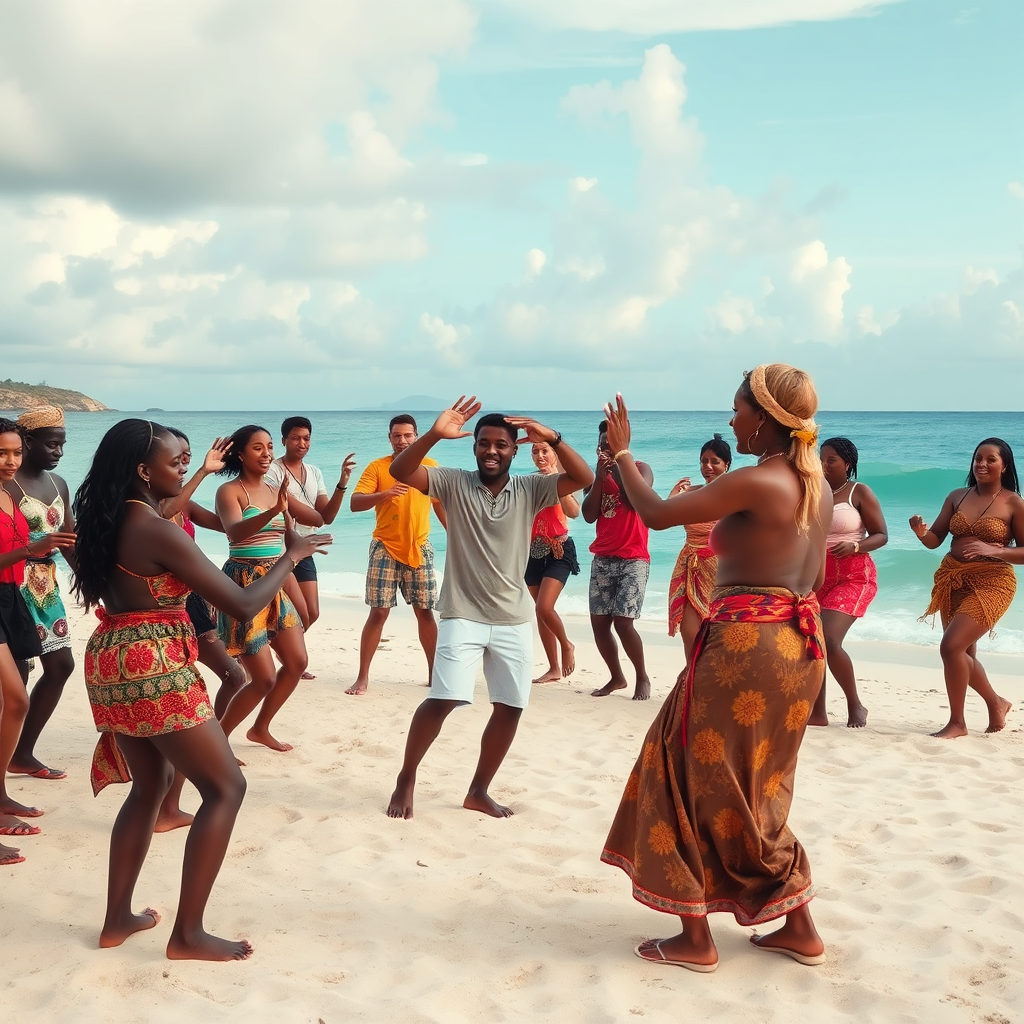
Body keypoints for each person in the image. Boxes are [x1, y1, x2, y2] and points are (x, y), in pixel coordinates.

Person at [600, 365, 831, 972]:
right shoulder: (818, 486)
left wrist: (623, 452)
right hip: (800, 647)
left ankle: (695, 939)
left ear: (767, 418)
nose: (732, 421)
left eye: (738, 409)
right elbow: (815, 578)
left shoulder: (759, 481)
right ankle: (798, 926)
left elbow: (653, 513)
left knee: (679, 769)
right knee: (760, 787)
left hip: (747, 646)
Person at [72, 418, 329, 959]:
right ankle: (187, 934)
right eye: (176, 462)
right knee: (227, 787)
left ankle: (117, 918)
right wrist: (291, 555)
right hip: (155, 659)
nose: (186, 467)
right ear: (143, 470)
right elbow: (240, 603)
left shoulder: (109, 516)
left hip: (113, 654)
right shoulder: (156, 529)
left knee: (150, 786)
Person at [385, 398, 594, 820]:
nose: (492, 451)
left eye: (501, 444)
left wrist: (552, 437)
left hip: (515, 616)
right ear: (474, 447)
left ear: (515, 449)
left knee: (511, 705)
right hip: (462, 612)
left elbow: (584, 477)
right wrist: (432, 434)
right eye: (484, 443)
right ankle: (406, 777)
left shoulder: (531, 489)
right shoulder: (452, 482)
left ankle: (478, 791)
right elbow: (400, 472)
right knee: (443, 698)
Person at [154, 428, 245, 833]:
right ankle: (170, 802)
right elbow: (164, 511)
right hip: (169, 607)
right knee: (231, 676)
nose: (187, 463)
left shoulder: (184, 504)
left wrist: (274, 510)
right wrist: (205, 473)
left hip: (188, 600)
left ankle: (201, 754)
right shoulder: (156, 503)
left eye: (189, 457)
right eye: (179, 458)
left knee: (231, 677)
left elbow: (231, 529)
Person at [215, 425, 324, 753]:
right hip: (244, 580)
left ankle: (260, 728)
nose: (266, 454)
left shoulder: (277, 488)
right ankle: (218, 743)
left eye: (269, 447)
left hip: (275, 575)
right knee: (262, 678)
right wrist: (275, 511)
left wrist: (302, 544)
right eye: (257, 448)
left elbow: (287, 533)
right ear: (240, 454)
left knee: (296, 662)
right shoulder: (229, 491)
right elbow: (235, 533)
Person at [910, 437, 1021, 738]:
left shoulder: (1013, 502)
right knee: (963, 654)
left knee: (951, 647)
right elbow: (936, 539)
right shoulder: (957, 496)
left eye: (990, 459)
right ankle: (996, 703)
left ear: (1004, 465)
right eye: (977, 459)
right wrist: (921, 533)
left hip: (993, 581)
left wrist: (997, 550)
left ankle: (958, 723)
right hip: (953, 578)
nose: (982, 464)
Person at [0, 417, 75, 862]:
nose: (9, 462)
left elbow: (64, 540)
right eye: (1, 454)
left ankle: (3, 794)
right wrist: (29, 550)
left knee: (15, 700)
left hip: (13, 597)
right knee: (16, 698)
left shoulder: (10, 495)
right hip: (10, 593)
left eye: (12, 453)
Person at [347, 415, 447, 695]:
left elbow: (439, 506)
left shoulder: (430, 467)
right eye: (397, 436)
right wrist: (385, 494)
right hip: (385, 547)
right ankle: (362, 677)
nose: (402, 441)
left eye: (408, 436)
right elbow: (355, 503)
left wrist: (457, 536)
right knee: (378, 613)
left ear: (416, 437)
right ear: (389, 438)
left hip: (420, 547)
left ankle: (433, 675)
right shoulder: (378, 467)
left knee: (425, 612)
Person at [7, 405, 78, 781]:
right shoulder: (5, 483)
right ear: (28, 441)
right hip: (13, 581)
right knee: (16, 676)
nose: (59, 453)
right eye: (52, 445)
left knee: (61, 665)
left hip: (46, 586)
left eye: (63, 446)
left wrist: (92, 581)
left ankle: (22, 752)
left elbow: (68, 541)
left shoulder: (59, 484)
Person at [264, 416, 356, 676]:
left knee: (311, 613)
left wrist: (343, 482)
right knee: (298, 614)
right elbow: (315, 518)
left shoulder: (314, 471)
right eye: (295, 438)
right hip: (280, 550)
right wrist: (318, 519)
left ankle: (281, 652)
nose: (301, 443)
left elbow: (327, 515)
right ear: (283, 440)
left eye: (306, 438)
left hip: (305, 549)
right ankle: (289, 657)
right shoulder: (273, 471)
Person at [810, 437, 887, 729]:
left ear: (847, 464)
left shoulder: (859, 491)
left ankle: (856, 705)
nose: (824, 464)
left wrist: (856, 547)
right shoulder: (814, 492)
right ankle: (818, 712)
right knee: (811, 641)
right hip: (817, 575)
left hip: (854, 574)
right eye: (822, 458)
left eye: (832, 460)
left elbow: (881, 534)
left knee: (829, 638)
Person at [582, 420, 653, 700]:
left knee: (624, 622)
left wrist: (620, 466)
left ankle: (642, 676)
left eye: (611, 443)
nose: (605, 448)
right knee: (599, 624)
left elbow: (638, 499)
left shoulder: (640, 469)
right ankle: (616, 677)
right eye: (602, 443)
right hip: (603, 557)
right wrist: (600, 477)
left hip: (634, 557)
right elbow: (589, 515)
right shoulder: (596, 474)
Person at [667, 433, 732, 663]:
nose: (708, 467)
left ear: (727, 464)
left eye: (715, 461)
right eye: (704, 461)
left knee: (717, 632)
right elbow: (666, 517)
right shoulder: (692, 493)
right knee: (690, 633)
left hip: (720, 568)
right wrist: (673, 497)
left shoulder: (734, 494)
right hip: (689, 564)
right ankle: (692, 682)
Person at [525, 439, 580, 682]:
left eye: (544, 451)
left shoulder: (567, 479)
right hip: (531, 552)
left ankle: (567, 645)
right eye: (535, 451)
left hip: (559, 549)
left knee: (543, 607)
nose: (540, 455)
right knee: (541, 613)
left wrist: (556, 479)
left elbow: (574, 512)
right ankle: (554, 668)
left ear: (554, 454)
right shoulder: (529, 481)